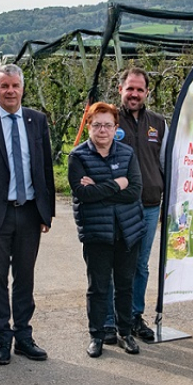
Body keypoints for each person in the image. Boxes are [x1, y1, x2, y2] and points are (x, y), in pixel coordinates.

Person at [0, 64, 55, 365]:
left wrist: (47, 211)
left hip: (29, 213)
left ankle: (24, 337)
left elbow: (44, 169)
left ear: (23, 88)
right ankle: (2, 339)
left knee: (25, 278)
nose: (10, 91)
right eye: (4, 86)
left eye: (15, 85)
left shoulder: (36, 120)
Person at [70, 102, 146, 358]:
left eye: (108, 125)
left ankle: (125, 333)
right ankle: (97, 335)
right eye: (97, 125)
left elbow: (135, 190)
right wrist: (117, 183)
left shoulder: (127, 154)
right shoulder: (78, 156)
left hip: (128, 233)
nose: (102, 130)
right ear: (89, 126)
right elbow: (82, 193)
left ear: (116, 128)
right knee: (98, 287)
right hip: (97, 234)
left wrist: (99, 187)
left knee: (125, 285)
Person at [112, 66, 164, 342]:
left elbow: (164, 163)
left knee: (141, 265)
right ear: (120, 89)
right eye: (129, 88)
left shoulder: (158, 122)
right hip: (118, 205)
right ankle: (110, 320)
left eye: (139, 89)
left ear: (147, 93)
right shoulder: (108, 118)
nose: (134, 94)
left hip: (149, 204)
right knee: (116, 263)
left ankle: (134, 316)